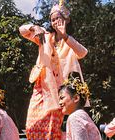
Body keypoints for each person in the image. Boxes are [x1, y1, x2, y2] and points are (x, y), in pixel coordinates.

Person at [19, 0, 88, 139]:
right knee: (31, 126)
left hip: (59, 91)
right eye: (52, 19)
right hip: (41, 87)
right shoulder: (44, 36)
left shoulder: (69, 41)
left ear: (66, 20)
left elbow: (83, 53)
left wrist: (65, 36)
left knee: (52, 130)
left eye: (58, 18)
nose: (55, 21)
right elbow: (22, 30)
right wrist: (34, 27)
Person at [58, 72, 102, 140]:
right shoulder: (82, 115)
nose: (59, 102)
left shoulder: (75, 117)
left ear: (76, 98)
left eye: (62, 98)